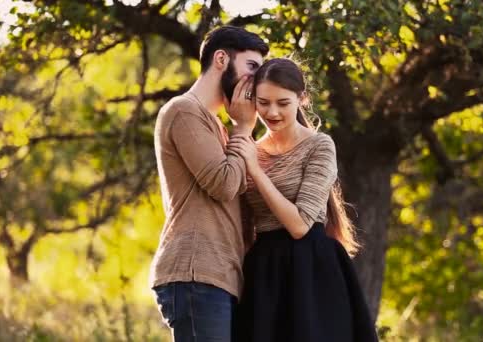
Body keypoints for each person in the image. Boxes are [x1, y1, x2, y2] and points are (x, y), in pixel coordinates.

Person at [228, 58, 378, 342]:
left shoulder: (319, 146)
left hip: (311, 269)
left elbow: (299, 226)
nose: (272, 112)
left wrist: (255, 171)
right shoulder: (250, 149)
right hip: (264, 272)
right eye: (263, 102)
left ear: (302, 99)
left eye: (283, 103)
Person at [149, 25, 268, 342]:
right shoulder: (183, 111)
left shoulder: (219, 126)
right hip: (195, 272)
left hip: (220, 276)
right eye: (251, 67)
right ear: (221, 59)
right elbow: (224, 184)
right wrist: (244, 125)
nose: (256, 81)